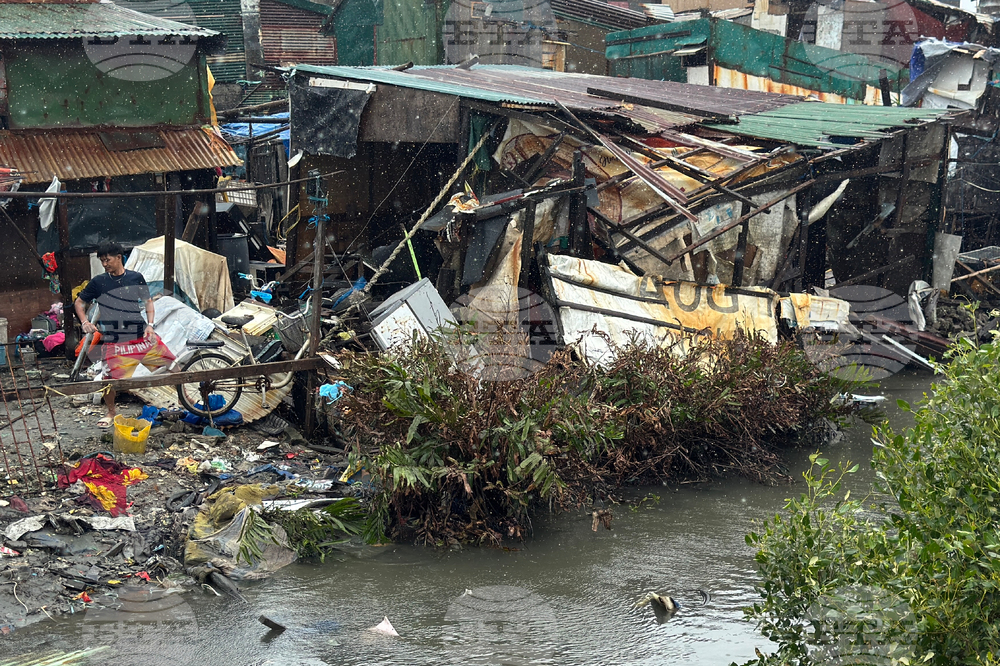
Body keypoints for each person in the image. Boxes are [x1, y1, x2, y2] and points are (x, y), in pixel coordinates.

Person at [74, 241, 155, 427]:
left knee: (169, 366)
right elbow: (79, 303)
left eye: (107, 259)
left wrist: (150, 324)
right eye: (102, 261)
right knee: (108, 379)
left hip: (140, 334)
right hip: (113, 338)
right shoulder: (98, 282)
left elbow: (148, 301)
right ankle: (111, 412)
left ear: (119, 257)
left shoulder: (136, 278)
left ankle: (189, 402)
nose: (104, 264)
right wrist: (85, 322)